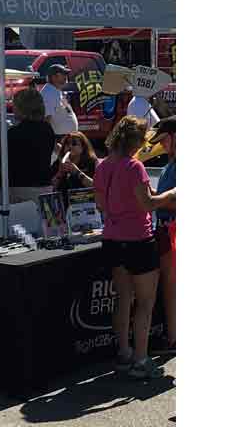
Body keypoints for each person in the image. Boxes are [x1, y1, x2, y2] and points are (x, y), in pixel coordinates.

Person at [94, 116, 174, 380]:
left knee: (123, 299)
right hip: (139, 239)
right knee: (145, 303)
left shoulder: (102, 166)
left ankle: (124, 353)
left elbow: (101, 206)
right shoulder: (135, 167)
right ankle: (141, 359)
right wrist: (171, 195)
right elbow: (148, 204)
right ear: (135, 141)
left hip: (112, 238)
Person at [150, 116, 178, 354]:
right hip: (167, 229)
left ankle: (173, 338)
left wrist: (152, 201)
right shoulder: (171, 163)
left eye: (165, 140)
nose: (162, 146)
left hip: (174, 231)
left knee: (171, 286)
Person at [7, 88, 60, 203]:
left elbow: (2, 161)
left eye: (14, 104)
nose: (13, 108)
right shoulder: (47, 129)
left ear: (23, 107)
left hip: (20, 188)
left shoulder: (14, 133)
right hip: (45, 187)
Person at [54, 131, 99, 196]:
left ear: (83, 147)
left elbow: (95, 186)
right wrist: (59, 174)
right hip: (64, 202)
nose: (70, 146)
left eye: (74, 144)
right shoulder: (60, 162)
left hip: (84, 201)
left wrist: (77, 172)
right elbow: (52, 188)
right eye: (67, 143)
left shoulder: (91, 162)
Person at [41, 64, 79, 138]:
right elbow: (46, 119)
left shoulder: (55, 91)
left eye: (66, 74)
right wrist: (49, 140)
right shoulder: (49, 93)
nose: (66, 77)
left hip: (66, 136)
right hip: (59, 137)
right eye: (63, 74)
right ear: (53, 77)